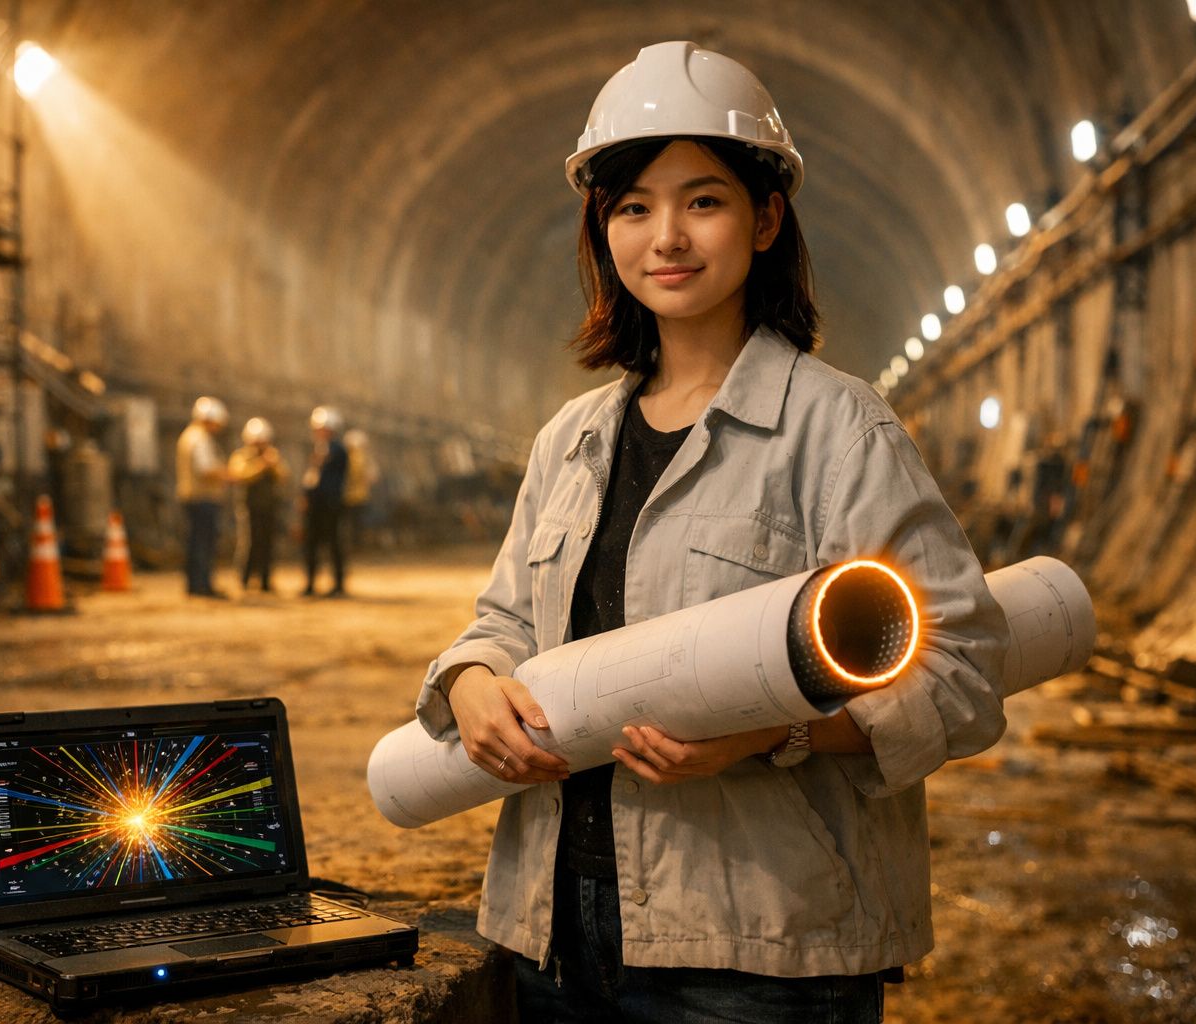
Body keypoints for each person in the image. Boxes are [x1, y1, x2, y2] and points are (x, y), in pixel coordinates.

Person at [410, 41, 1009, 1023]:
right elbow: (506, 618)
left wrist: (775, 732)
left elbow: (965, 670)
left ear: (766, 217)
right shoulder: (573, 439)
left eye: (704, 200)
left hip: (758, 956)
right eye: (634, 206)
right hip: (554, 931)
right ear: (602, 229)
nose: (667, 237)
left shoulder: (838, 429)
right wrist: (471, 679)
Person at [175, 396, 232, 598]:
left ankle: (195, 584)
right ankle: (202, 586)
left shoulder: (189, 436)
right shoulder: (200, 438)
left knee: (195, 543)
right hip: (202, 499)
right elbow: (205, 469)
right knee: (202, 544)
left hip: (192, 498)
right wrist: (227, 474)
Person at [228, 416, 287, 593]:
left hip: (269, 506)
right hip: (249, 507)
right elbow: (240, 474)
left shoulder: (272, 455)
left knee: (267, 543)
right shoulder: (242, 456)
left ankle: (265, 580)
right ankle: (244, 579)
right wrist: (262, 465)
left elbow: (283, 476)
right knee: (249, 543)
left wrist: (273, 463)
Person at [301, 405, 349, 596]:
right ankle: (311, 583)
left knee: (333, 543)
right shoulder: (319, 449)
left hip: (330, 504)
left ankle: (338, 584)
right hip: (316, 504)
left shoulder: (337, 449)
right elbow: (311, 478)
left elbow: (325, 471)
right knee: (311, 544)